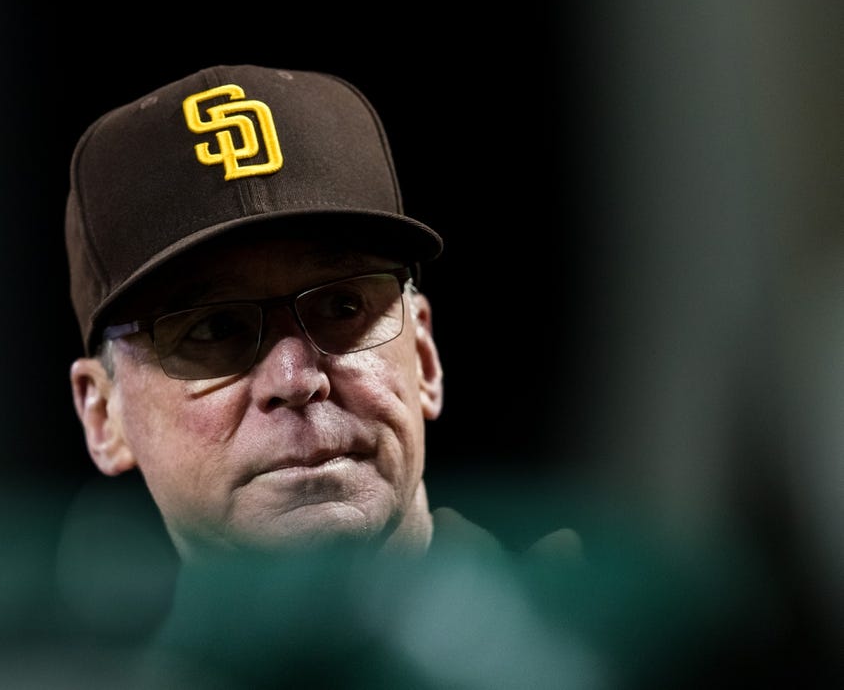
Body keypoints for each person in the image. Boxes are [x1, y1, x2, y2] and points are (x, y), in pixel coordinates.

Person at [62, 64, 596, 688]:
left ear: (423, 356)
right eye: (213, 330)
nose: (295, 376)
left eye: (342, 307)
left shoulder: (600, 649)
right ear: (103, 417)